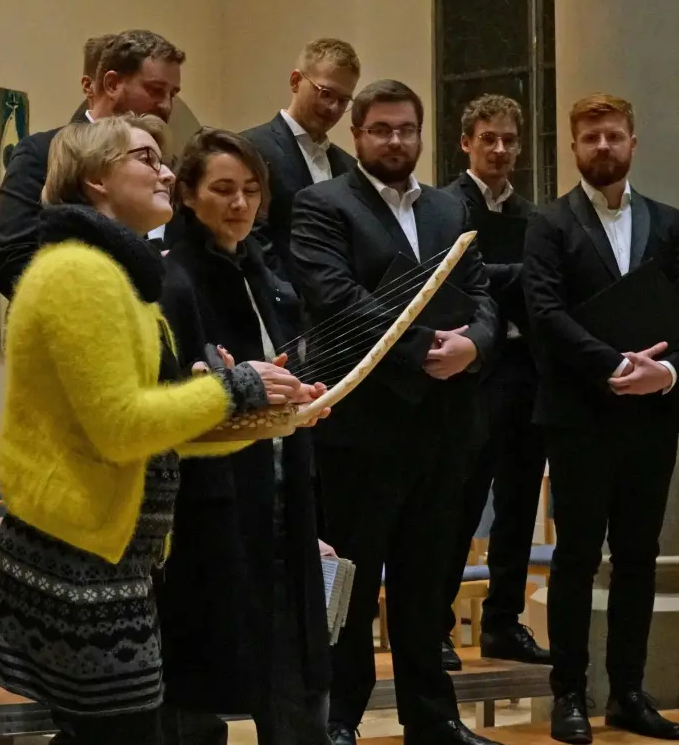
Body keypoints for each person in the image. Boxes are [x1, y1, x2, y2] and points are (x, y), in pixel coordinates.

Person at [0, 116, 319, 745]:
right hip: (79, 552)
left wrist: (266, 416)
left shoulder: (116, 274)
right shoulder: (81, 274)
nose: (165, 170)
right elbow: (121, 427)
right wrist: (230, 388)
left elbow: (158, 423)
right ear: (96, 179)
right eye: (146, 157)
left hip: (109, 551)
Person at [292, 79, 500, 745]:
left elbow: (481, 290)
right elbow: (336, 298)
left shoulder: (447, 208)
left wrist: (474, 344)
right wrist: (421, 350)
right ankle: (339, 718)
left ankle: (433, 718)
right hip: (362, 431)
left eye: (407, 128)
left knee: (427, 582)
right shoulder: (321, 205)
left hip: (444, 427)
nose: (395, 140)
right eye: (381, 129)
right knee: (352, 585)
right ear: (357, 135)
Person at [520, 93, 679, 743]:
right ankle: (570, 692)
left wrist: (668, 373)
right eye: (591, 137)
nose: (604, 147)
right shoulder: (549, 223)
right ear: (573, 146)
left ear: (633, 142)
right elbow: (544, 312)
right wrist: (611, 365)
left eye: (614, 136)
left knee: (638, 558)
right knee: (574, 558)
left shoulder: (669, 222)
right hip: (580, 417)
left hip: (648, 417)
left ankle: (628, 690)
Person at [158, 129, 334, 745]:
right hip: (211, 509)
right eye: (223, 190)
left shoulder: (266, 274)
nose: (239, 205)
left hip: (282, 493)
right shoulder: (172, 279)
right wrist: (236, 388)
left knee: (297, 679)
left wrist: (301, 398)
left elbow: (281, 369)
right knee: (201, 678)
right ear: (186, 195)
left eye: (251, 192)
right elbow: (174, 401)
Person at [437, 95, 550, 669]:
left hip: (525, 374)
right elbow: (459, 280)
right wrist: (521, 277)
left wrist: (510, 279)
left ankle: (504, 623)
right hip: (468, 376)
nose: (500, 149)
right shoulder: (444, 208)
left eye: (509, 139)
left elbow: (543, 290)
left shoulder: (534, 216)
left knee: (518, 505)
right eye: (488, 139)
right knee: (457, 504)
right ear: (466, 143)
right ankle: (435, 624)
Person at [0, 29, 184, 296]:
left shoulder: (169, 167)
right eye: (155, 89)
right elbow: (12, 258)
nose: (166, 105)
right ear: (112, 84)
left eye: (173, 94)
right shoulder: (42, 152)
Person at [240, 37, 361, 286]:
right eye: (326, 93)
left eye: (343, 100)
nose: (333, 108)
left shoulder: (348, 166)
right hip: (280, 307)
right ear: (296, 81)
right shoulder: (250, 148)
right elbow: (252, 237)